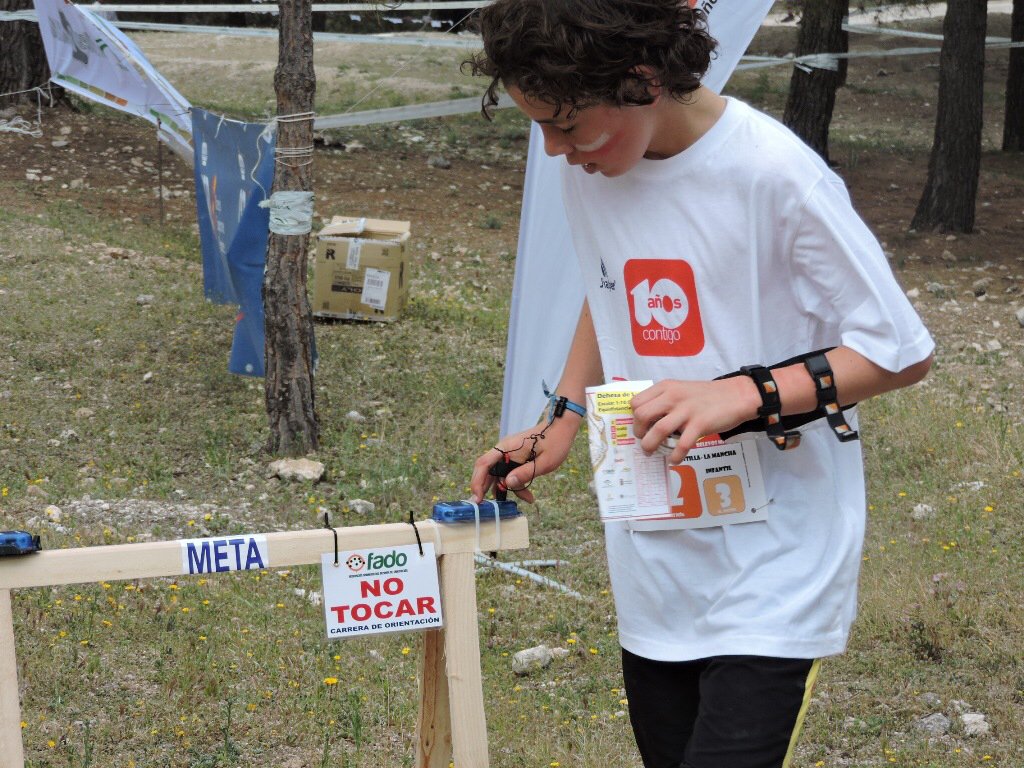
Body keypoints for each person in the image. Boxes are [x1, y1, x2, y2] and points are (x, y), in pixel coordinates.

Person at [465, 2, 935, 767]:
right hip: (654, 560)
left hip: (776, 562)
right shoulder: (595, 170)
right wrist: (563, 413)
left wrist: (741, 393)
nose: (555, 151)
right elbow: (607, 282)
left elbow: (903, 350)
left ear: (643, 80)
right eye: (540, 128)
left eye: (570, 126)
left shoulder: (776, 175)